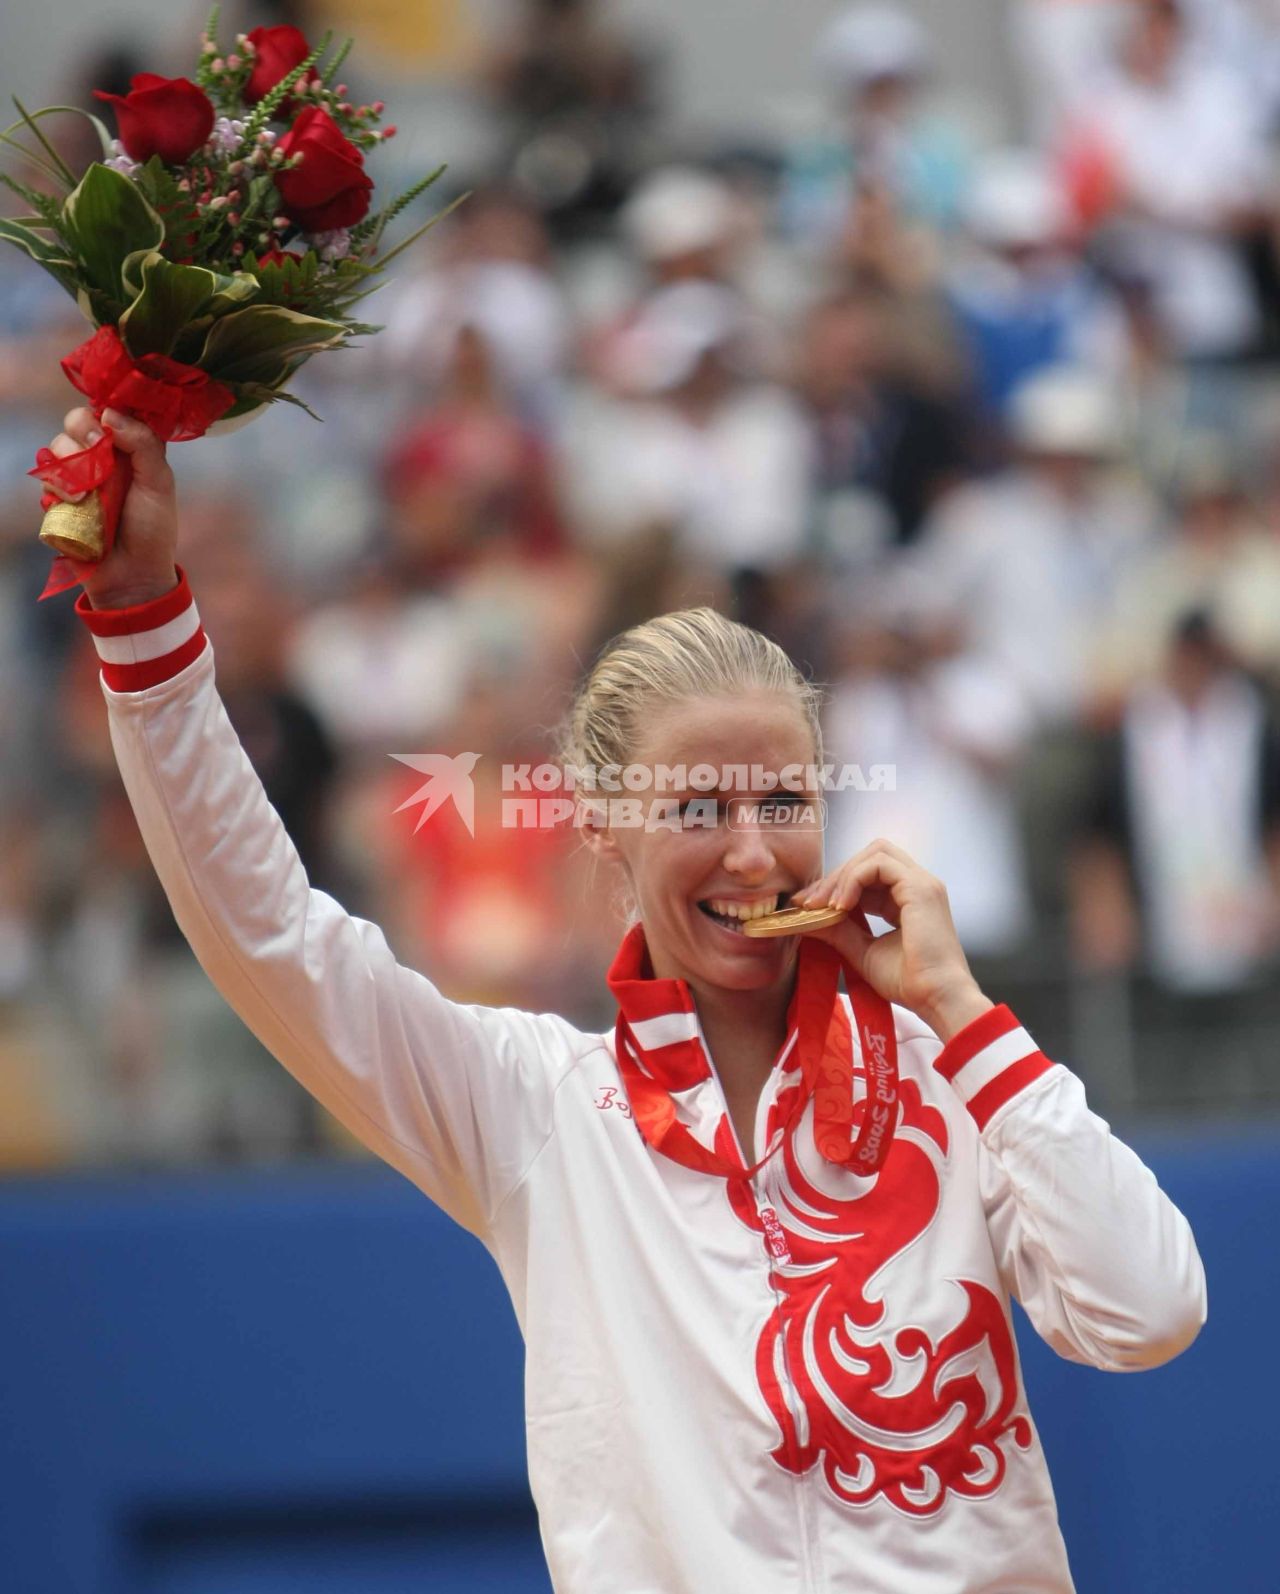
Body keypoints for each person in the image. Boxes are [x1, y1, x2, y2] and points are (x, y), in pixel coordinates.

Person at [51, 402, 1205, 1593]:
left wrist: (963, 1018)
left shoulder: (951, 1080)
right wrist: (146, 628)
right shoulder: (536, 1109)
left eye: (782, 802)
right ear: (602, 824)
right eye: (698, 811)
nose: (753, 854)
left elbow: (1146, 1309)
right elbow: (270, 939)